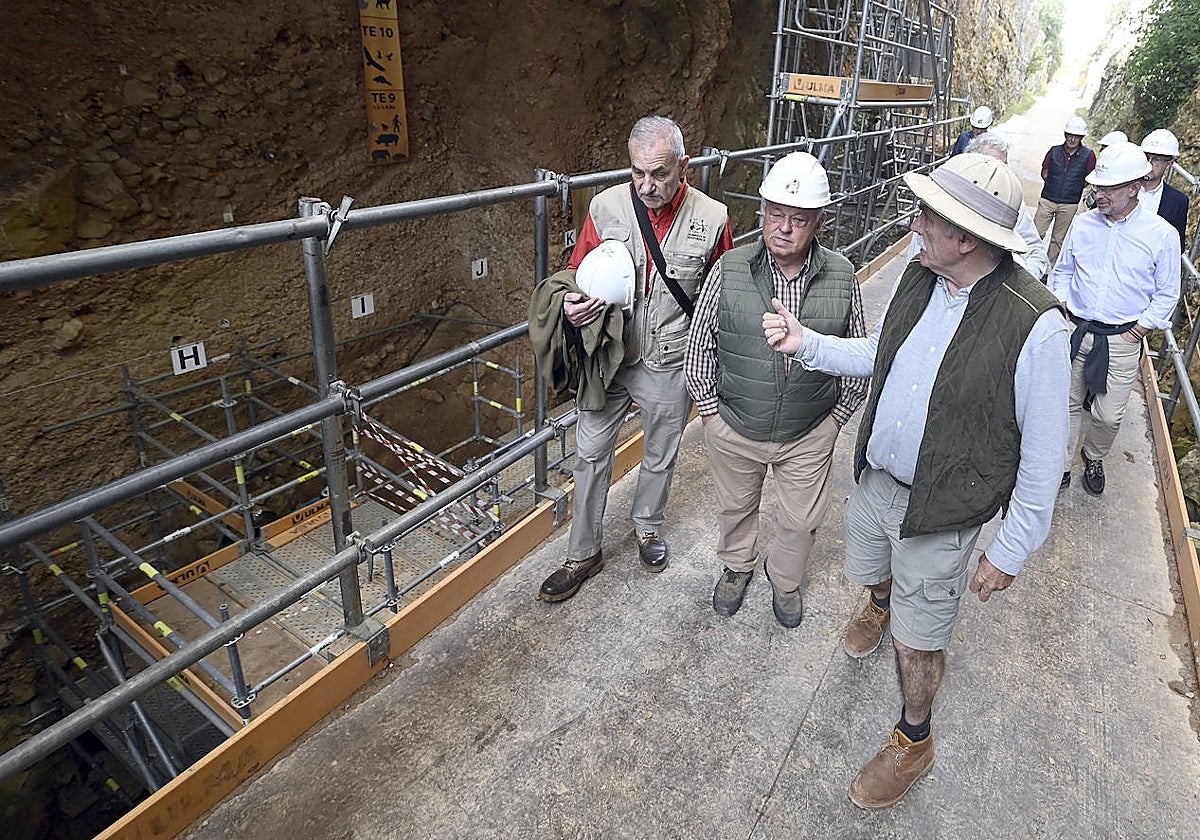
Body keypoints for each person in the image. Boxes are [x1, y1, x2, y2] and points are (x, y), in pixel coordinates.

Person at [762, 152, 1070, 809]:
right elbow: (880, 353)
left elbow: (1045, 455)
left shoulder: (1034, 324)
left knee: (917, 640)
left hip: (943, 507)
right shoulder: (918, 274)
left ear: (966, 235)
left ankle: (914, 737)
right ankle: (881, 599)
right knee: (870, 569)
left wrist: (1009, 551)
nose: (917, 223)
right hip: (880, 482)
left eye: (929, 215)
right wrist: (805, 343)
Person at [537, 116, 734, 602]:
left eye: (660, 174)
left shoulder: (713, 219)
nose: (646, 185)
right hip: (609, 357)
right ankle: (583, 552)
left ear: (683, 167)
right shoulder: (604, 207)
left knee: (660, 453)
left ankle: (646, 528)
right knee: (588, 452)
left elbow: (723, 297)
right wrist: (570, 303)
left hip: (671, 360)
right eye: (637, 172)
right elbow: (575, 272)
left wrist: (715, 366)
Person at [684, 152, 867, 627]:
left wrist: (834, 422)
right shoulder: (730, 268)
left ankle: (784, 580)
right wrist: (712, 415)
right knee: (735, 505)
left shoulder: (842, 277)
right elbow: (700, 344)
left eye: (799, 218)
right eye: (776, 214)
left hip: (808, 431)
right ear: (762, 213)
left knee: (801, 521)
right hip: (736, 425)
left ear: (818, 222)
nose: (784, 227)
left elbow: (857, 355)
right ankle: (736, 566)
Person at [1048, 141, 1182, 496]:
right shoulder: (1082, 225)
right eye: (1097, 186)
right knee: (1067, 403)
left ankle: (1094, 455)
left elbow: (1168, 293)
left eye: (1108, 187)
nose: (1098, 193)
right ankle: (1060, 465)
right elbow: (1062, 271)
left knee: (1109, 415)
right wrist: (1063, 306)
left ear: (1134, 188)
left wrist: (1138, 330)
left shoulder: (1161, 235)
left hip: (1122, 338)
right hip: (1076, 329)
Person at [906, 132, 1048, 279]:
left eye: (1003, 166)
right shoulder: (938, 208)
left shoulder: (1012, 208)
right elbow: (911, 266)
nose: (997, 173)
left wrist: (1021, 283)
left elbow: (1035, 250)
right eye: (988, 164)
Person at [1036, 116, 1097, 268]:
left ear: (1081, 137)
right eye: (1070, 135)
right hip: (1048, 199)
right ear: (1065, 135)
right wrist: (1053, 185)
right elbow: (1045, 172)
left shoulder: (1088, 156)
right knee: (1036, 233)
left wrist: (1074, 188)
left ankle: (1046, 269)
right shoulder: (1054, 151)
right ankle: (1027, 263)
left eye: (1076, 136)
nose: (1072, 139)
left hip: (1069, 203)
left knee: (1058, 239)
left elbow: (1089, 178)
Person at [1139, 128, 1189, 247]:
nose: (1149, 163)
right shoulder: (1122, 187)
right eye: (1146, 157)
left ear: (1169, 164)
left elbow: (1177, 244)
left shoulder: (1177, 201)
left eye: (1156, 159)